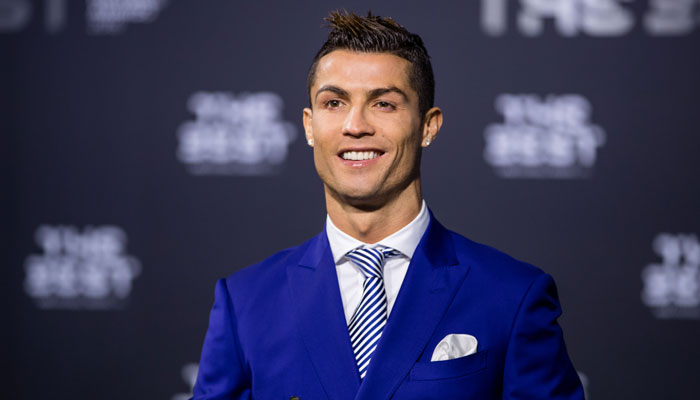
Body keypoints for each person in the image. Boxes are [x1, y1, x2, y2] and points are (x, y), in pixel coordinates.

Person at [191, 11, 584, 400]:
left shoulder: (511, 294)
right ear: (309, 125)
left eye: (384, 104)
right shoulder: (245, 301)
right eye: (334, 103)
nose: (355, 125)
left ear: (428, 125)